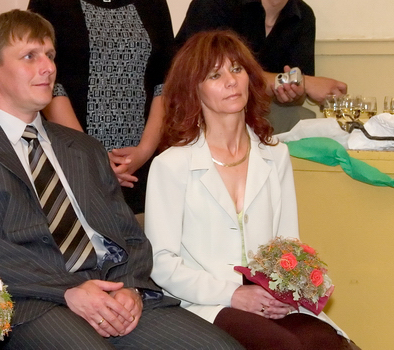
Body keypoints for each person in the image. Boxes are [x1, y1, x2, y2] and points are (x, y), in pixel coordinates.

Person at [0, 10, 242, 350]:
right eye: (30, 56)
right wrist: (67, 289)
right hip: (32, 300)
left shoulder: (83, 147)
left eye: (50, 55)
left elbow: (131, 235)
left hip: (113, 291)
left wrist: (130, 288)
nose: (48, 68)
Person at [145, 31, 353, 349]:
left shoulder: (275, 154)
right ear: (193, 90)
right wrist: (233, 294)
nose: (231, 81)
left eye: (237, 69)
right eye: (215, 75)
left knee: (328, 342)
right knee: (282, 345)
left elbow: (288, 245)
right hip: (204, 303)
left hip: (269, 300)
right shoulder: (171, 164)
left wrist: (285, 292)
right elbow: (161, 263)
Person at [28, 0, 175, 213]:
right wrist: (91, 154)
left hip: (139, 165)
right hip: (71, 158)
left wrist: (144, 151)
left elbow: (165, 81)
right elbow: (46, 75)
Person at [174, 0, 347, 132]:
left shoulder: (303, 16)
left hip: (260, 115)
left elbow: (297, 97)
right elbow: (205, 73)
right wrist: (303, 82)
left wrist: (294, 90)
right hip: (199, 112)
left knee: (307, 125)